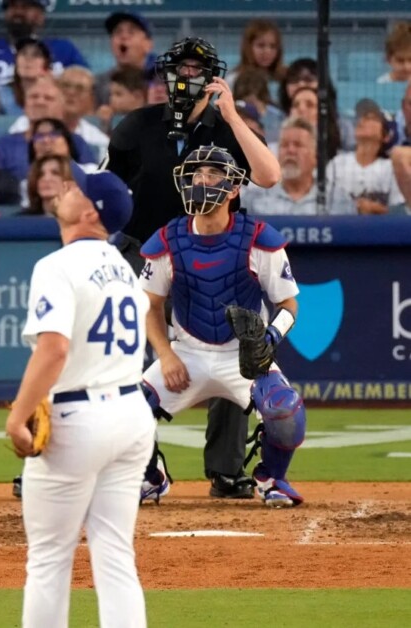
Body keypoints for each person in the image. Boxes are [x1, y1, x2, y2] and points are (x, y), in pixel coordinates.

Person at [104, 36, 281, 502]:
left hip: (216, 249)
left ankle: (227, 472)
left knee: (231, 348)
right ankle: (144, 467)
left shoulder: (229, 127)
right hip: (142, 250)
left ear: (213, 76)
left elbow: (268, 175)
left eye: (196, 69)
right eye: (179, 69)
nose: (187, 77)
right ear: (165, 74)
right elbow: (106, 190)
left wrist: (233, 116)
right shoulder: (136, 126)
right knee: (129, 360)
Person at [5, 165, 153, 628]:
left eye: (75, 187)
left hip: (79, 419)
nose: (65, 186)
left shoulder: (57, 265)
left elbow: (54, 349)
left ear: (90, 211)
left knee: (49, 559)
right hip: (132, 415)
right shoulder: (128, 273)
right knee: (115, 555)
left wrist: (19, 416)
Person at [138, 145, 307, 509]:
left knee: (285, 410)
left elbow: (289, 304)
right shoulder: (168, 239)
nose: (201, 180)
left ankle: (271, 478)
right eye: (196, 173)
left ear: (233, 189)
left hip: (243, 355)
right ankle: (149, 477)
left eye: (212, 174)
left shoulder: (259, 238)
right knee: (127, 408)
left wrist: (269, 337)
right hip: (186, 352)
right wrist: (165, 354)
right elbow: (150, 306)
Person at [241, 117, 354, 216]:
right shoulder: (253, 201)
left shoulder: (337, 201)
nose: (290, 150)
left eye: (298, 145)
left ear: (315, 156)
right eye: (284, 145)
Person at [0, 0, 87, 85]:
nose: (18, 12)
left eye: (25, 7)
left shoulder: (64, 49)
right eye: (12, 6)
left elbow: (86, 86)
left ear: (41, 16)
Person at [325, 99, 407, 214]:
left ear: (387, 135)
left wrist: (375, 209)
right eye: (361, 117)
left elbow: (400, 211)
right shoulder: (337, 163)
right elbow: (325, 206)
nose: (362, 120)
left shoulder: (391, 168)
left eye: (371, 118)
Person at [94, 11, 155, 107]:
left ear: (148, 45)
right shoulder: (98, 85)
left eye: (131, 32)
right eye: (118, 32)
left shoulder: (161, 82)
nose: (123, 37)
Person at [0, 37, 52, 117]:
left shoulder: (54, 95)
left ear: (46, 65)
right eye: (23, 53)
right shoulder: (0, 94)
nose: (28, 59)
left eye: (36, 55)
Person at [227, 19, 286, 86]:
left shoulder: (286, 79)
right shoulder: (234, 79)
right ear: (248, 47)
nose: (267, 51)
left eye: (273, 46)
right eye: (261, 45)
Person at [96, 66, 148, 135]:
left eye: (118, 94)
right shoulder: (113, 119)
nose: (112, 99)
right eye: (110, 94)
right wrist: (104, 124)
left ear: (137, 96)